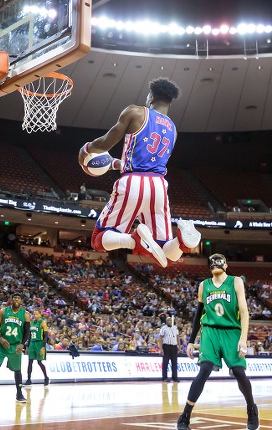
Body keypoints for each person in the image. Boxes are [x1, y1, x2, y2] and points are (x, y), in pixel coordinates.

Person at [78, 77, 201, 268]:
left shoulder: (135, 112)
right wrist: (114, 164)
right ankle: (184, 242)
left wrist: (87, 149)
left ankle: (133, 240)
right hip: (159, 185)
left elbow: (107, 142)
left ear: (151, 97)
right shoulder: (173, 129)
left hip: (133, 181)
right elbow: (148, 160)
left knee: (98, 239)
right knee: (166, 255)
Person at [176, 254, 259, 430]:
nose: (215, 263)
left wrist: (243, 339)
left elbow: (244, 312)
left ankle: (252, 409)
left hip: (232, 331)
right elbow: (198, 314)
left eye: (219, 261)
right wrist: (191, 341)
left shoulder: (235, 281)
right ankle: (185, 416)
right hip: (210, 332)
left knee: (238, 371)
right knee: (204, 369)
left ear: (226, 265)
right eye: (212, 261)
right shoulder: (203, 285)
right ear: (209, 266)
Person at [0, 292, 31, 403]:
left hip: (16, 346)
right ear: (11, 300)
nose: (16, 299)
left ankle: (19, 394)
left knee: (17, 371)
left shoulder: (26, 314)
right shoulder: (4, 311)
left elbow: (27, 331)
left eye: (18, 298)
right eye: (14, 298)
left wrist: (22, 344)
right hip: (2, 345)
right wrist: (0, 338)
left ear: (21, 301)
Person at [25, 309, 50, 386]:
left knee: (39, 362)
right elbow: (29, 336)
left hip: (39, 343)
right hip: (32, 343)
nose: (34, 315)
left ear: (40, 315)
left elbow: (46, 336)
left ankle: (46, 377)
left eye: (36, 314)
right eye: (34, 314)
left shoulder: (42, 322)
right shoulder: (32, 323)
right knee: (30, 362)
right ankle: (28, 379)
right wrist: (27, 346)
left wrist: (43, 346)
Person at [158, 316, 180, 382]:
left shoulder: (175, 328)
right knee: (165, 363)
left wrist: (179, 346)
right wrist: (161, 348)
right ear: (166, 321)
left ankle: (175, 378)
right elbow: (160, 338)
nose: (169, 321)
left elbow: (177, 337)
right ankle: (164, 377)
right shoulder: (163, 328)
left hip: (174, 346)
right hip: (166, 346)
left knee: (174, 363)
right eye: (168, 320)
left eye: (170, 320)